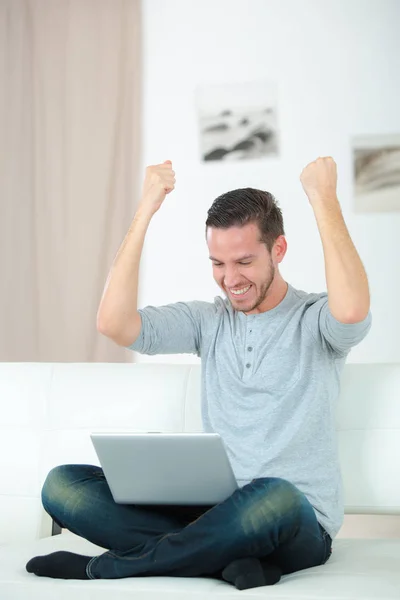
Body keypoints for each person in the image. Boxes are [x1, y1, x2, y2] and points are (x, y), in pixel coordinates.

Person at [26, 157, 372, 590]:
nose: (230, 279)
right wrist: (146, 207)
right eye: (218, 263)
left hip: (293, 520)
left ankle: (113, 567)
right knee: (63, 487)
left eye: (244, 262)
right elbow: (114, 323)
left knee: (275, 494)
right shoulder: (208, 321)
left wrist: (323, 197)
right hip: (213, 515)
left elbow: (354, 309)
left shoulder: (316, 318)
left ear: (278, 250)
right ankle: (226, 558)